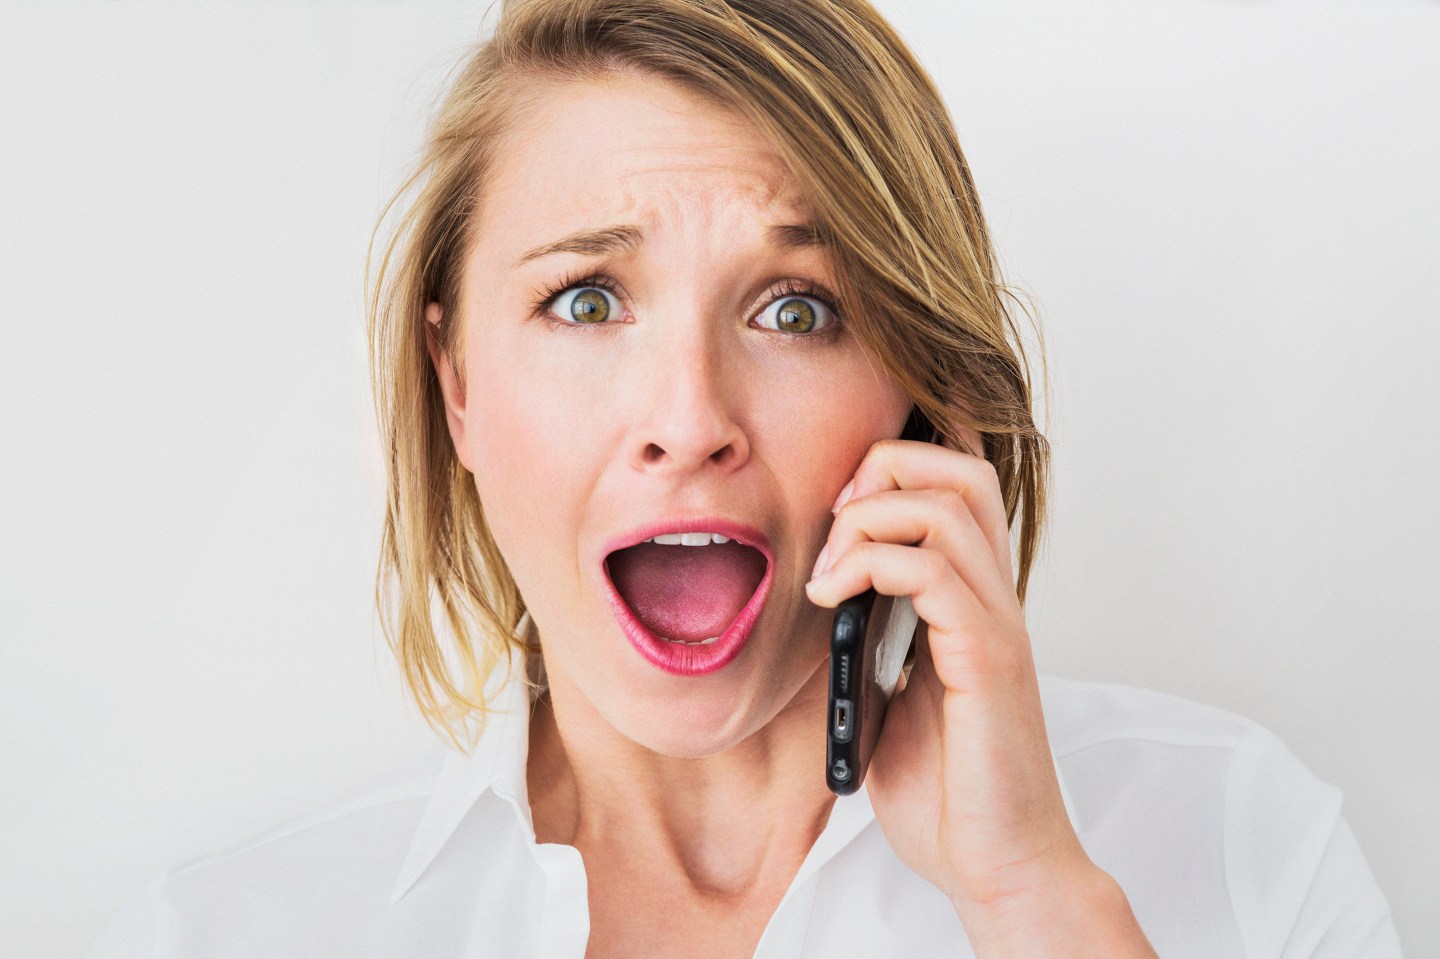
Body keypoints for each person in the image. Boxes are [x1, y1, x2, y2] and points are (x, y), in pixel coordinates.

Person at [87, 0, 1403, 956]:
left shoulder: (1246, 846)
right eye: (588, 299)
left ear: (921, 392)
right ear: (459, 387)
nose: (691, 419)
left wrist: (1036, 907)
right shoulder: (213, 936)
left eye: (795, 310)